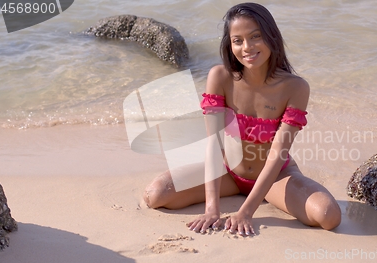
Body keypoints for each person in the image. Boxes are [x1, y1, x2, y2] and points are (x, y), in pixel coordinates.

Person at [143, 2, 341, 236]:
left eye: (255, 36)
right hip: (227, 173)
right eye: (238, 40)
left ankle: (257, 196)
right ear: (230, 44)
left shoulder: (295, 87)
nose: (247, 47)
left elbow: (278, 154)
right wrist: (211, 209)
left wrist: (246, 212)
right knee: (155, 195)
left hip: (276, 178)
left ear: (271, 36)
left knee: (328, 216)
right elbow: (214, 145)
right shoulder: (220, 77)